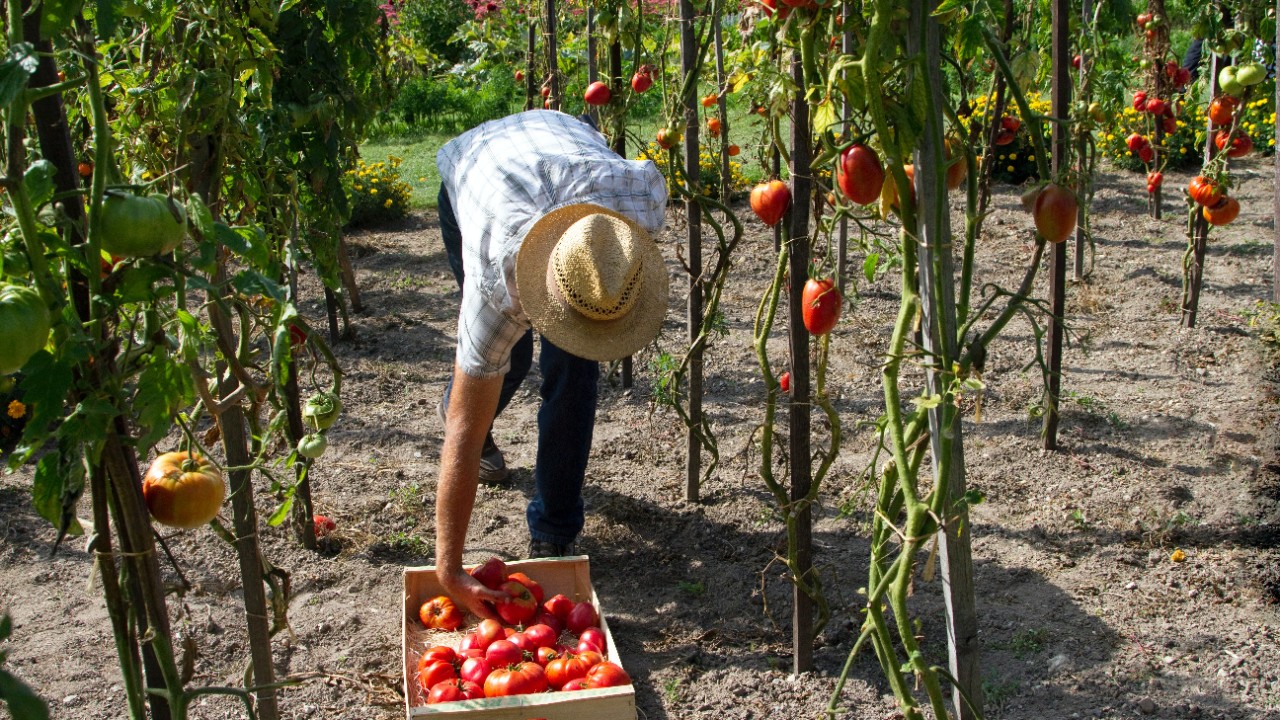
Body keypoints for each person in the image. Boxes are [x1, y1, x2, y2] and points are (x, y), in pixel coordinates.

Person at [433, 109, 669, 619]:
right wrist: (449, 570)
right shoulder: (498, 286)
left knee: (575, 375)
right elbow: (461, 433)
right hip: (477, 174)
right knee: (505, 362)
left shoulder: (634, 210)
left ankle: (554, 531)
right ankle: (469, 395)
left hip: (560, 142)